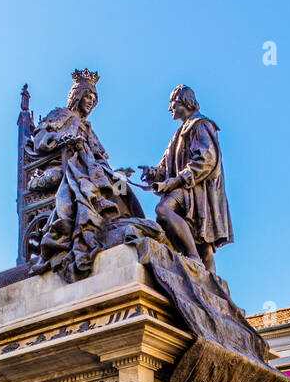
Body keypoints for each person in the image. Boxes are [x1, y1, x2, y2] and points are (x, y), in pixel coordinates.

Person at [27, 68, 143, 282]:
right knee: (83, 181)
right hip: (59, 165)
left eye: (93, 99)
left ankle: (113, 225)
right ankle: (86, 230)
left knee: (119, 184)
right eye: (87, 97)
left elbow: (100, 157)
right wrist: (64, 141)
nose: (89, 102)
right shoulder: (61, 115)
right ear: (77, 96)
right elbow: (40, 139)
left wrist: (114, 172)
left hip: (89, 169)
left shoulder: (88, 128)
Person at [140, 85, 233, 272]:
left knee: (163, 210)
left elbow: (207, 159)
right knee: (203, 243)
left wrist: (177, 181)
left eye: (172, 103)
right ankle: (213, 285)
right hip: (186, 187)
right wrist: (153, 173)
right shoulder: (178, 135)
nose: (169, 108)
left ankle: (193, 259)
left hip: (196, 189)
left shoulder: (202, 125)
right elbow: (165, 168)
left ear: (184, 101)